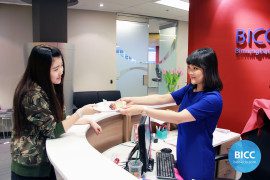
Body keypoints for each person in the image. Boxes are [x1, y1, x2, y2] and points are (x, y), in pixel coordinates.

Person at [119, 47, 223, 180]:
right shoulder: (190, 88)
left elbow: (179, 118)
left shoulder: (212, 99)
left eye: (195, 68)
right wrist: (132, 100)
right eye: (189, 67)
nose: (190, 72)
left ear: (208, 69)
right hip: (183, 152)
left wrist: (141, 110)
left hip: (198, 159)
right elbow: (163, 98)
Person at [11, 45, 102, 180]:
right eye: (55, 69)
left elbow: (62, 120)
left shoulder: (48, 86)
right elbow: (53, 130)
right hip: (30, 168)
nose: (61, 72)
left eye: (61, 66)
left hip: (44, 163)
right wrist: (81, 112)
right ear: (41, 70)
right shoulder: (32, 95)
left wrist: (88, 120)